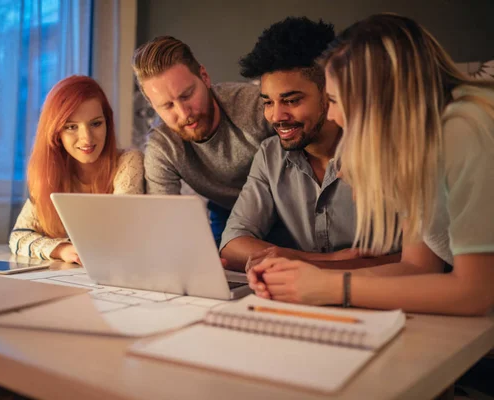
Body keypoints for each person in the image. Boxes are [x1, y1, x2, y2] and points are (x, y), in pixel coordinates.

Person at [248, 14, 494, 316]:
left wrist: (333, 288)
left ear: (376, 99)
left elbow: (476, 292)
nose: (333, 115)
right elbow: (417, 267)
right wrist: (308, 282)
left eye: (335, 100)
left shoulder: (464, 129)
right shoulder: (417, 144)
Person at [220, 17, 400, 271]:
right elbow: (232, 244)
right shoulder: (270, 155)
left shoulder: (386, 151)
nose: (276, 116)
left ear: (330, 93)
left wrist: (291, 262)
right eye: (268, 102)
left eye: (292, 100)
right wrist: (325, 262)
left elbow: (417, 260)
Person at [132, 36, 274, 246]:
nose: (183, 113)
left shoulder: (256, 107)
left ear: (205, 77)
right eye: (167, 106)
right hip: (227, 211)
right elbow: (164, 225)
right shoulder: (162, 147)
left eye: (187, 95)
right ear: (153, 107)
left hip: (282, 208)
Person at [9, 75, 144, 264]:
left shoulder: (129, 161)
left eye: (96, 123)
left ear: (108, 123)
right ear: (56, 134)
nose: (87, 138)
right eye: (72, 127)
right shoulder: (51, 173)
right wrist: (62, 249)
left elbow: (120, 234)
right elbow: (18, 237)